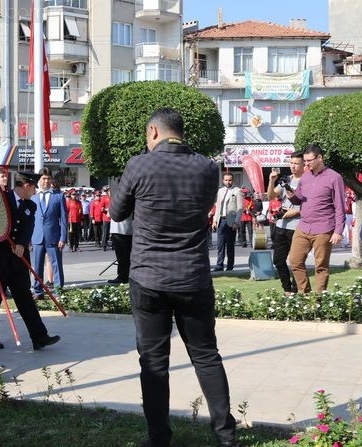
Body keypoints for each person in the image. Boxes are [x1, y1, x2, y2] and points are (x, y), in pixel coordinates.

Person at [110, 108, 238, 447]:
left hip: (149, 277)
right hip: (193, 276)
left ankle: (159, 438)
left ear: (153, 131)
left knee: (154, 361)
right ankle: (226, 437)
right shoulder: (208, 168)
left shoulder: (139, 165)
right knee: (207, 356)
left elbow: (116, 212)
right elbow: (201, 207)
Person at [0, 171, 61, 351]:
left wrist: (22, 244)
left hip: (18, 259)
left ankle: (39, 336)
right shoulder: (0, 200)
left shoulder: (30, 206)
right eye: (34, 188)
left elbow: (28, 227)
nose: (35, 192)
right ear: (26, 186)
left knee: (25, 298)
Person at [286, 144, 346, 293]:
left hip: (324, 228)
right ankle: (305, 294)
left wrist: (338, 231)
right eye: (304, 161)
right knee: (294, 260)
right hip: (304, 226)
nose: (306, 164)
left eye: (309, 160)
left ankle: (317, 300)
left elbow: (340, 207)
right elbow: (299, 199)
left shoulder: (335, 177)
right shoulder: (305, 176)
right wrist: (291, 195)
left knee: (321, 266)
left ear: (320, 158)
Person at [267, 153, 304, 294]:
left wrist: (295, 212)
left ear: (303, 165)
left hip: (297, 227)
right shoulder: (286, 180)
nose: (293, 166)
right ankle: (287, 290)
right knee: (278, 260)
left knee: (296, 261)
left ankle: (295, 290)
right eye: (291, 163)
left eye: (296, 163)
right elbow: (270, 196)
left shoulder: (307, 181)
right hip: (281, 226)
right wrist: (272, 181)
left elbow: (310, 204)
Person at [31, 168, 68, 300]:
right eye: (43, 179)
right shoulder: (33, 196)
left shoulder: (58, 196)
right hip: (37, 237)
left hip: (54, 236)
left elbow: (64, 219)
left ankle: (58, 291)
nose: (46, 181)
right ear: (38, 180)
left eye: (48, 179)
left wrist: (63, 237)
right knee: (37, 266)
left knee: (56, 265)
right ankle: (38, 291)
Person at [212, 173, 243, 271]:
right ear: (223, 180)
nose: (228, 182)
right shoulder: (220, 191)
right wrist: (214, 220)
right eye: (226, 180)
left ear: (233, 181)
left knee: (230, 245)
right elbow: (217, 207)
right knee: (220, 245)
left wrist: (236, 222)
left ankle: (230, 266)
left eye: (229, 180)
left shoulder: (237, 191)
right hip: (221, 220)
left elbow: (240, 208)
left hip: (231, 221)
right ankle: (219, 265)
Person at [108, 216, 132, 284]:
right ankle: (125, 276)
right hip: (126, 229)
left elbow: (112, 214)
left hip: (120, 229)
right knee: (125, 256)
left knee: (122, 257)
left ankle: (122, 277)